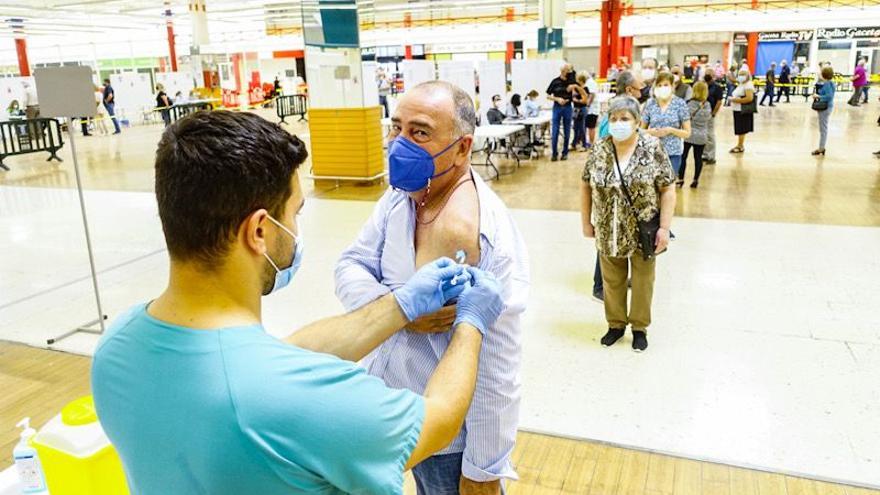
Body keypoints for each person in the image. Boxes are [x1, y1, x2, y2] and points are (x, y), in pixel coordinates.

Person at [92, 109, 506, 495]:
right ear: (259, 230)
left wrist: (401, 304)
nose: (295, 228)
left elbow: (283, 355)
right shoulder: (306, 402)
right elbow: (438, 418)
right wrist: (470, 322)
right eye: (295, 212)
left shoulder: (118, 347)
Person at [335, 80, 529, 495]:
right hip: (384, 402)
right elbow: (351, 265)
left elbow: (496, 361)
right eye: (397, 127)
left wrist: (483, 468)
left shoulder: (473, 233)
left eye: (419, 132)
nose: (399, 144)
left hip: (445, 437)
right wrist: (399, 310)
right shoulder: (401, 195)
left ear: (462, 147)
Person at [581, 96, 676, 352]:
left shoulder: (652, 146)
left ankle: (639, 327)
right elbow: (586, 184)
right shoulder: (600, 148)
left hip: (643, 231)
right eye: (613, 119)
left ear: (637, 122)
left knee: (643, 281)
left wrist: (664, 228)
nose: (618, 123)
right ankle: (615, 324)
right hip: (607, 228)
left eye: (624, 119)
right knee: (612, 281)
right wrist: (586, 222)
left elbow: (667, 187)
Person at [641, 72, 692, 178]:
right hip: (653, 152)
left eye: (666, 85)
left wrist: (671, 130)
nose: (662, 88)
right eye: (659, 85)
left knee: (668, 186)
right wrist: (651, 132)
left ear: (672, 86)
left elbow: (687, 133)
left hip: (673, 153)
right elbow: (640, 131)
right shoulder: (650, 103)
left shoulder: (680, 104)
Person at [681, 81, 711, 188]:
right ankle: (695, 180)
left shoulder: (688, 103)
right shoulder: (707, 105)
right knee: (698, 158)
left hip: (688, 134)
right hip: (701, 135)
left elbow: (684, 118)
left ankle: (680, 179)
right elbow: (708, 118)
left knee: (683, 157)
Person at [546, 63, 576, 161]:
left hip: (568, 107)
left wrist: (573, 89)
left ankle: (565, 153)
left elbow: (578, 90)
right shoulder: (555, 81)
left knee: (567, 131)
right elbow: (548, 95)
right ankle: (554, 153)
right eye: (567, 70)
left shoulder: (571, 81)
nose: (569, 72)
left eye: (569, 71)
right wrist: (557, 99)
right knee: (555, 131)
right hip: (557, 107)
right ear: (563, 71)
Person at [729, 68, 755, 154]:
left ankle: (740, 145)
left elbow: (749, 98)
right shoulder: (741, 84)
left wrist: (734, 100)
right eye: (740, 74)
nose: (741, 76)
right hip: (737, 109)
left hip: (742, 110)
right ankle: (740, 145)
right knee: (739, 128)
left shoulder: (748, 85)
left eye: (743, 74)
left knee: (742, 128)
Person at [812, 66, 836, 156]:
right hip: (827, 107)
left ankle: (821, 148)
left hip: (825, 108)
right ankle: (821, 147)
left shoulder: (827, 84)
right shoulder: (830, 83)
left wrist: (818, 96)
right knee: (823, 128)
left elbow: (829, 96)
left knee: (823, 129)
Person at [702, 69, 724, 165]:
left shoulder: (717, 87)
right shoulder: (702, 85)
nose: (707, 76)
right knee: (703, 135)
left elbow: (719, 101)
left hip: (710, 114)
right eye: (706, 74)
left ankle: (711, 156)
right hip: (701, 115)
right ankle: (705, 155)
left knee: (710, 135)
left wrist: (714, 113)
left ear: (713, 75)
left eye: (709, 74)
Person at [571, 72, 591, 151]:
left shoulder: (585, 89)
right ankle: (574, 143)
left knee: (582, 128)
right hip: (576, 109)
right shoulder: (576, 89)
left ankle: (584, 144)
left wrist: (577, 100)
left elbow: (584, 101)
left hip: (582, 109)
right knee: (575, 127)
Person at [585, 71, 600, 146]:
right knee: (590, 126)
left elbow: (592, 95)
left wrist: (587, 105)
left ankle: (591, 142)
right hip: (592, 108)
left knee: (591, 126)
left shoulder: (590, 83)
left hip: (592, 109)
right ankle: (590, 141)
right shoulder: (591, 82)